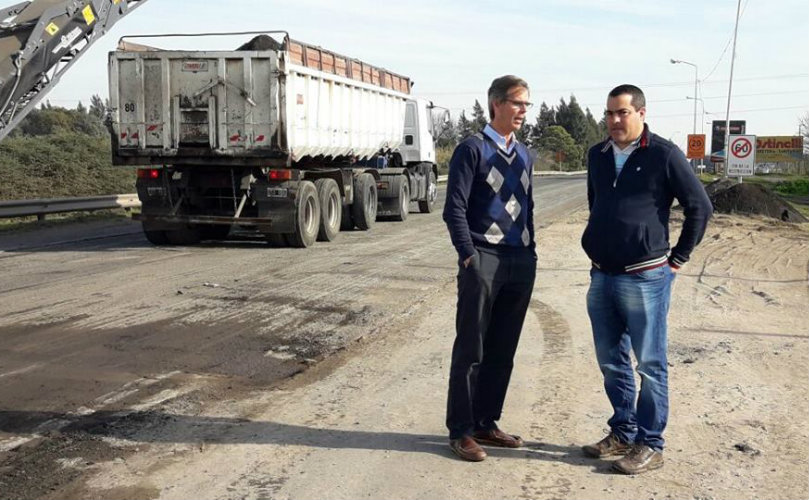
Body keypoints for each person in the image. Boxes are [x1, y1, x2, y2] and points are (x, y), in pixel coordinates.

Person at [580, 84, 713, 474]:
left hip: (646, 277)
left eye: (622, 113)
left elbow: (700, 208)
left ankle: (650, 443)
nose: (614, 121)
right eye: (609, 114)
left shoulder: (664, 154)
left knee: (650, 364)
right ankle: (623, 430)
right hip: (602, 276)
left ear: (641, 113)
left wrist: (677, 260)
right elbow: (596, 204)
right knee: (611, 361)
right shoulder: (598, 155)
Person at [442, 75, 537, 462]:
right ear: (495, 104)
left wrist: (532, 251)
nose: (523, 111)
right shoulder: (472, 149)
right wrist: (468, 255)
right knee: (472, 348)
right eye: (517, 103)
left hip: (520, 259)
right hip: (483, 257)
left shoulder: (526, 154)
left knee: (503, 348)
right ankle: (461, 430)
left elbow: (527, 207)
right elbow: (455, 209)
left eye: (526, 105)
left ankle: (486, 421)